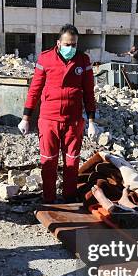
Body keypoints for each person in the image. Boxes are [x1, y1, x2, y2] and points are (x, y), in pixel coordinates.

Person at [19, 24, 98, 203]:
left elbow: (89, 92)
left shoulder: (83, 61)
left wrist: (92, 121)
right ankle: (49, 198)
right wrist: (26, 118)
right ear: (59, 42)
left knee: (72, 161)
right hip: (49, 119)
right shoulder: (45, 59)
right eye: (67, 44)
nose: (71, 48)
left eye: (74, 44)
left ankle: (69, 197)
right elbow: (35, 90)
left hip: (74, 120)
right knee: (48, 161)